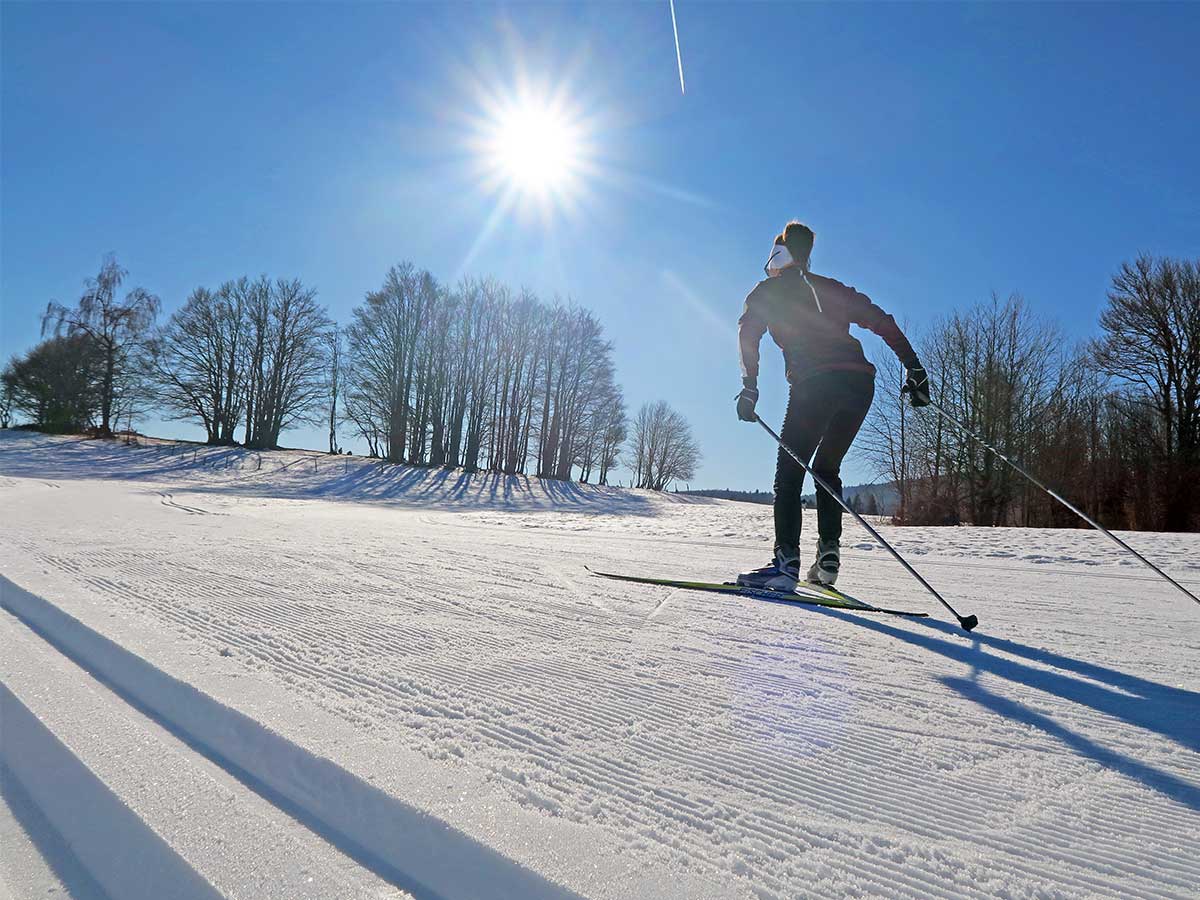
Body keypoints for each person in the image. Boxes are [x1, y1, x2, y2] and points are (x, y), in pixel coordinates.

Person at [735, 221, 929, 591]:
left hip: (815, 383)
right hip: (859, 385)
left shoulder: (767, 291)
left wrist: (749, 387)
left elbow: (747, 333)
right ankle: (827, 561)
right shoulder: (832, 289)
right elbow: (882, 321)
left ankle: (785, 565)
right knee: (826, 468)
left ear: (781, 256)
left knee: (789, 473)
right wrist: (915, 369)